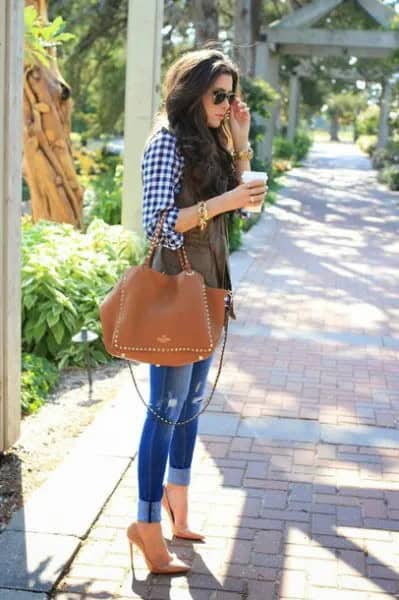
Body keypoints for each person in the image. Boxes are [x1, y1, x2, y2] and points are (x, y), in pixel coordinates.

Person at [126, 47, 267, 575]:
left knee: (190, 406)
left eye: (232, 96)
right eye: (219, 95)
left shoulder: (210, 142)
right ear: (192, 93)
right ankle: (144, 524)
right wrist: (225, 203)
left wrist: (243, 144)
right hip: (177, 291)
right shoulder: (165, 143)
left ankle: (177, 511)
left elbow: (247, 205)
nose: (227, 104)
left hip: (211, 287)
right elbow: (159, 225)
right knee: (165, 407)